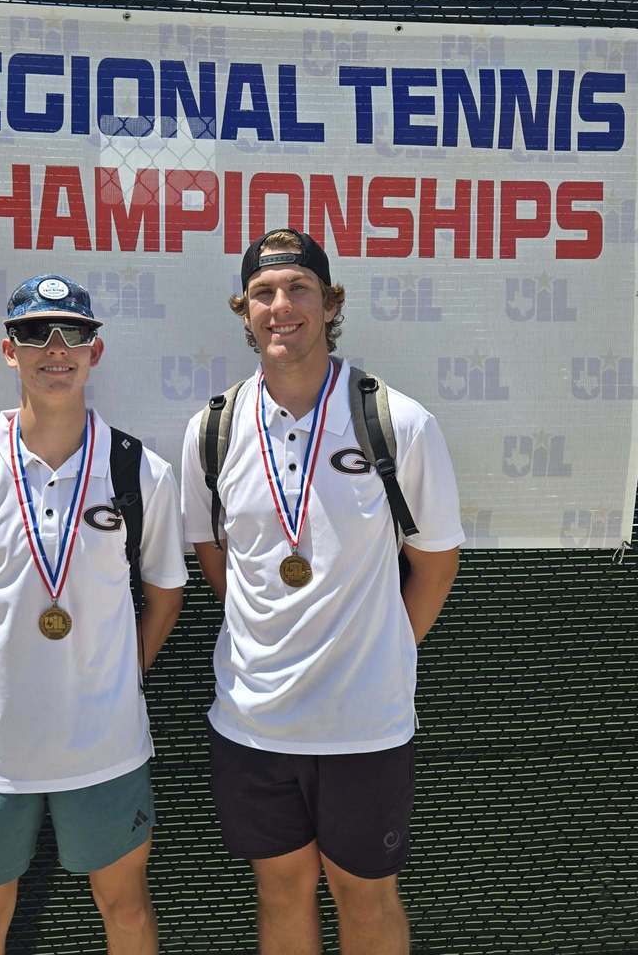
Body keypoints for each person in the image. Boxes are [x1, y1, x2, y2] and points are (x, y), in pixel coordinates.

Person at [181, 229, 465, 955]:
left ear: (331, 304)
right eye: (263, 293)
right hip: (253, 722)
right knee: (280, 892)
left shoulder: (397, 422)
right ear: (245, 311)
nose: (281, 306)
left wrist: (376, 650)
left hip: (363, 724)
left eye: (298, 288)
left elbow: (435, 564)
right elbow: (214, 552)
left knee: (364, 896)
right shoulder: (212, 428)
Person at [0, 274, 187, 955]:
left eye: (74, 333)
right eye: (36, 332)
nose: (56, 348)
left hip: (107, 749)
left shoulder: (142, 473)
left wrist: (117, 677)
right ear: (10, 350)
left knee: (126, 910)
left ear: (96, 351)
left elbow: (165, 594)